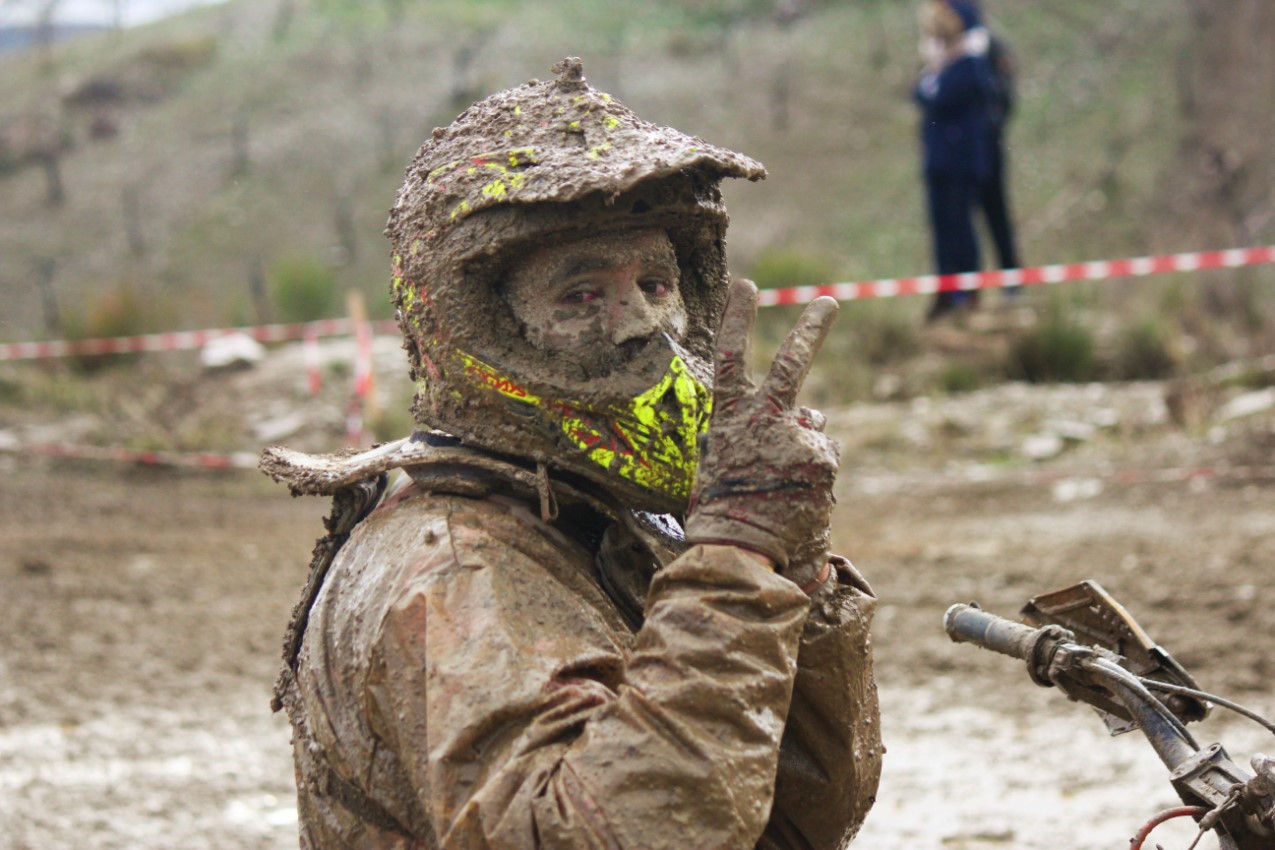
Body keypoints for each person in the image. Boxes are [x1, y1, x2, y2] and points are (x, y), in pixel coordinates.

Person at [261, 57, 882, 850]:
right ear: (480, 323)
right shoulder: (457, 565)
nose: (636, 324)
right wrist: (733, 558)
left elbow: (796, 818)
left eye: (655, 284)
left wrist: (790, 569)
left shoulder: (602, 514)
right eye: (580, 295)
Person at [913, 0, 996, 321]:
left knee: (961, 226)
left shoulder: (971, 63)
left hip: (962, 160)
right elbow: (920, 93)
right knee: (942, 228)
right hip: (938, 160)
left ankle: (966, 290)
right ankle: (947, 289)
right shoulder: (938, 63)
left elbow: (940, 97)